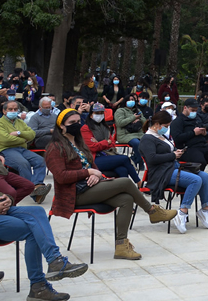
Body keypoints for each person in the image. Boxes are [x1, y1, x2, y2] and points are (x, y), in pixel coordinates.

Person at [0, 123, 88, 301]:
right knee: (31, 229)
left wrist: (3, 198)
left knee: (37, 212)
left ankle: (55, 261)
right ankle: (39, 286)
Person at [46, 108, 177, 259]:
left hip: (90, 187)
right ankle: (152, 211)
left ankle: (121, 246)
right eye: (71, 123)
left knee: (126, 199)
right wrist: (88, 172)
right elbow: (61, 177)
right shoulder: (54, 147)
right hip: (73, 193)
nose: (76, 125)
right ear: (62, 126)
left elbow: (92, 165)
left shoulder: (78, 142)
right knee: (125, 182)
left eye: (77, 121)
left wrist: (96, 175)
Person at [139, 111, 208, 234]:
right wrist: (173, 155)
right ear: (157, 124)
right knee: (196, 180)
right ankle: (182, 212)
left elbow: (168, 152)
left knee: (204, 176)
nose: (167, 128)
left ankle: (205, 210)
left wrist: (177, 152)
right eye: (166, 126)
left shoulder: (161, 136)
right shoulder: (147, 139)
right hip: (161, 173)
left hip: (173, 167)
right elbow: (152, 159)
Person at [0, 100, 48, 194]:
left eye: (15, 109)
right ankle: (30, 189)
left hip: (22, 149)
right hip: (5, 150)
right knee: (23, 163)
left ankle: (37, 185)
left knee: (40, 161)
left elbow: (32, 134)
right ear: (4, 111)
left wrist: (18, 133)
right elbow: (5, 140)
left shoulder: (20, 122)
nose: (13, 111)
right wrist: (23, 140)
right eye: (10, 109)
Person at [82, 102, 139, 182]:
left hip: (107, 154)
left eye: (102, 113)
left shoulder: (105, 127)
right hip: (94, 159)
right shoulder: (85, 128)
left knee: (123, 170)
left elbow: (112, 144)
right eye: (97, 113)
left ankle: (124, 188)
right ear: (91, 115)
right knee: (125, 159)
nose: (100, 115)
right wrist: (106, 142)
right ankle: (139, 183)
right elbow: (93, 147)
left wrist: (100, 143)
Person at [0, 134, 38, 204]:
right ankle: (5, 206)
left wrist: (0, 155)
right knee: (11, 192)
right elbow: (5, 140)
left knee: (29, 186)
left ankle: (6, 205)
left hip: (2, 169)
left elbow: (32, 134)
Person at [170, 98, 208, 171]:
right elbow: (177, 138)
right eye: (192, 110)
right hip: (188, 148)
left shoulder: (197, 119)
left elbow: (206, 137)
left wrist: (204, 134)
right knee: (200, 162)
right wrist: (193, 133)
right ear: (185, 108)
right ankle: (200, 176)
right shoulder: (177, 122)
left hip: (202, 145)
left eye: (196, 110)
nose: (194, 112)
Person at [114, 97, 146, 168]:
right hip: (125, 134)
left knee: (149, 141)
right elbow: (120, 123)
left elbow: (145, 122)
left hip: (138, 133)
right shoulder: (120, 111)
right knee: (137, 143)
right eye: (129, 100)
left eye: (132, 100)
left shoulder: (138, 110)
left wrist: (139, 119)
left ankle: (133, 159)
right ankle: (140, 161)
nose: (131, 101)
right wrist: (133, 118)